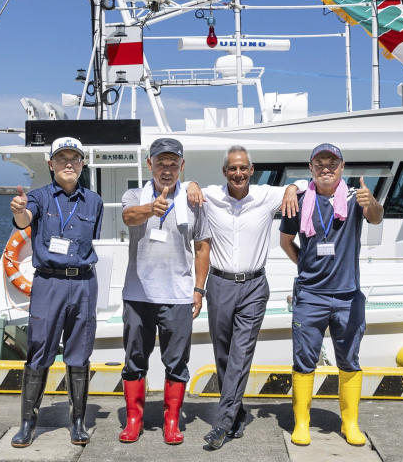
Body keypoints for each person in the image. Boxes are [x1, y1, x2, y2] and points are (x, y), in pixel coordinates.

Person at [279, 142, 384, 447]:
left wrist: (372, 202)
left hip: (347, 296)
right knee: (303, 361)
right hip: (310, 296)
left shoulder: (355, 198)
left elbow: (375, 218)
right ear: (311, 168)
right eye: (319, 164)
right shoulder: (298, 200)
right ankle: (302, 423)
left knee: (349, 360)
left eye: (332, 163)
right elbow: (286, 243)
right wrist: (307, 267)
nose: (326, 169)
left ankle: (350, 423)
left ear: (342, 166)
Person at [196, 145, 300, 450]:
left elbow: (305, 185)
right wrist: (190, 185)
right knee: (223, 354)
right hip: (219, 283)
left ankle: (222, 424)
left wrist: (292, 188)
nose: (238, 173)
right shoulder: (211, 195)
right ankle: (238, 413)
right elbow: (186, 189)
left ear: (251, 170)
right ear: (224, 172)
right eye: (232, 169)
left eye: (243, 168)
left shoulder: (267, 195)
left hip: (254, 286)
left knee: (240, 354)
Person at [8, 136, 104, 448]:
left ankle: (77, 421)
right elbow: (24, 220)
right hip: (49, 283)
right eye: (61, 158)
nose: (68, 163)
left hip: (83, 283)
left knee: (80, 354)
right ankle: (28, 423)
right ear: (51, 164)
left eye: (74, 158)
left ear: (82, 164)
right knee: (39, 351)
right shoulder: (38, 197)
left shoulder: (94, 201)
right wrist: (19, 210)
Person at [119, 137, 211, 445]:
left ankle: (172, 421)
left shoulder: (194, 200)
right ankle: (134, 420)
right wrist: (150, 208)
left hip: (178, 295)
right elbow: (128, 216)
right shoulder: (134, 195)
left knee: (177, 362)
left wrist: (199, 289)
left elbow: (202, 247)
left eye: (173, 163)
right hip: (138, 294)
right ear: (150, 165)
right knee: (134, 360)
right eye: (161, 163)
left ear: (182, 166)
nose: (167, 169)